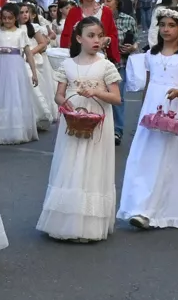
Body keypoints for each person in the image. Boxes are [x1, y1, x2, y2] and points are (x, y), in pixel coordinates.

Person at [118, 8, 178, 230]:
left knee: (174, 160)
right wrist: (144, 110)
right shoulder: (151, 55)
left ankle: (170, 209)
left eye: (171, 25)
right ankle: (141, 208)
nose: (166, 29)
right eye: (163, 25)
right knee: (148, 158)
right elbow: (149, 85)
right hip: (154, 110)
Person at [38, 17, 122, 242]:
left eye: (99, 35)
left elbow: (116, 98)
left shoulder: (106, 65)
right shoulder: (67, 65)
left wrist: (96, 93)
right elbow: (59, 94)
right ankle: (65, 221)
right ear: (78, 38)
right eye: (91, 35)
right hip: (74, 120)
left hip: (98, 123)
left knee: (92, 167)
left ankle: (89, 224)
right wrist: (62, 102)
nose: (96, 40)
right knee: (70, 164)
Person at [0, 3, 38, 145]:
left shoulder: (21, 33)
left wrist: (34, 72)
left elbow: (28, 54)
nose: (7, 21)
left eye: (10, 18)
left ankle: (16, 129)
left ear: (16, 18)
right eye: (4, 18)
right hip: (0, 65)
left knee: (15, 95)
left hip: (16, 66)